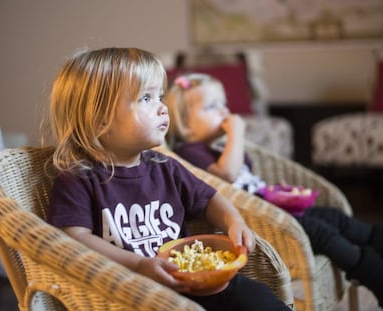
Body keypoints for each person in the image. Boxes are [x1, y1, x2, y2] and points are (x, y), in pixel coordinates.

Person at [45, 47, 291, 311]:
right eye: (146, 98)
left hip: (194, 282)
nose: (162, 108)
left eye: (159, 96)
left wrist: (234, 222)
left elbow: (210, 199)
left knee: (253, 296)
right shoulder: (79, 178)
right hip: (131, 296)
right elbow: (73, 239)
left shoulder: (165, 167)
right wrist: (139, 265)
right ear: (100, 118)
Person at [164, 72, 383, 308]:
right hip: (265, 224)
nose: (224, 111)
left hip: (276, 209)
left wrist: (278, 191)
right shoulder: (190, 151)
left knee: (335, 217)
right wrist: (236, 134)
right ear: (185, 125)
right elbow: (226, 175)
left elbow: (249, 182)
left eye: (224, 103)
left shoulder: (217, 147)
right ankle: (374, 275)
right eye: (212, 107)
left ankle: (376, 240)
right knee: (322, 232)